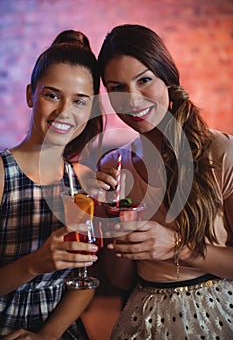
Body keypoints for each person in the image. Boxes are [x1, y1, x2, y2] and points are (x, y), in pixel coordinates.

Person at [96, 24, 233, 339]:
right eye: (117, 88)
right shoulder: (114, 165)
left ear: (168, 80)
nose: (131, 99)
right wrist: (110, 216)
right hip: (144, 317)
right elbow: (119, 279)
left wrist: (177, 247)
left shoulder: (222, 153)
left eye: (144, 80)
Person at [0, 29, 104, 339]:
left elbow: (87, 279)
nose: (64, 112)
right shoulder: (3, 175)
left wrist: (48, 335)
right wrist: (34, 264)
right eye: (52, 95)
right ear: (31, 93)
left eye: (79, 101)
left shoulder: (83, 180)